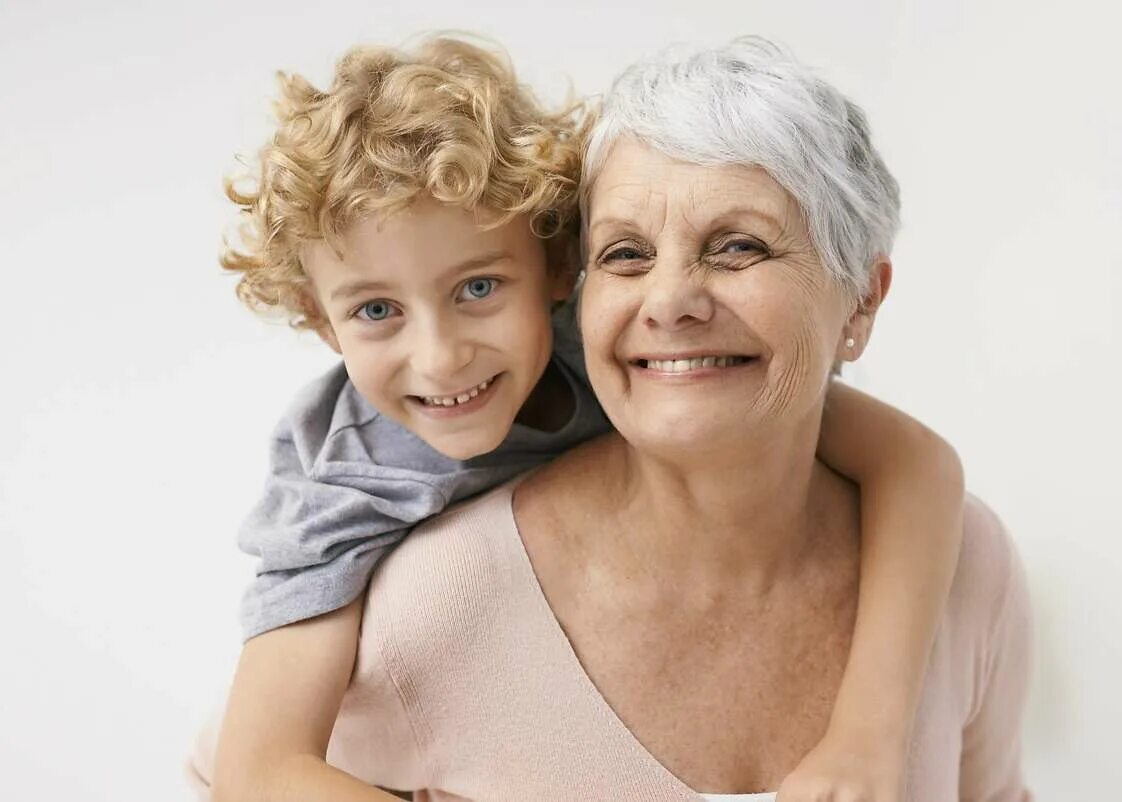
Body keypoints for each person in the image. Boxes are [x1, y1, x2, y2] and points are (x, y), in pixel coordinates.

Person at [199, 36, 972, 802]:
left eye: (477, 289)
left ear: (558, 269)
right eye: (376, 310)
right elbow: (251, 770)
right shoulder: (343, 489)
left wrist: (870, 731)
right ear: (320, 322)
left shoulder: (617, 346)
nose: (441, 359)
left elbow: (917, 461)